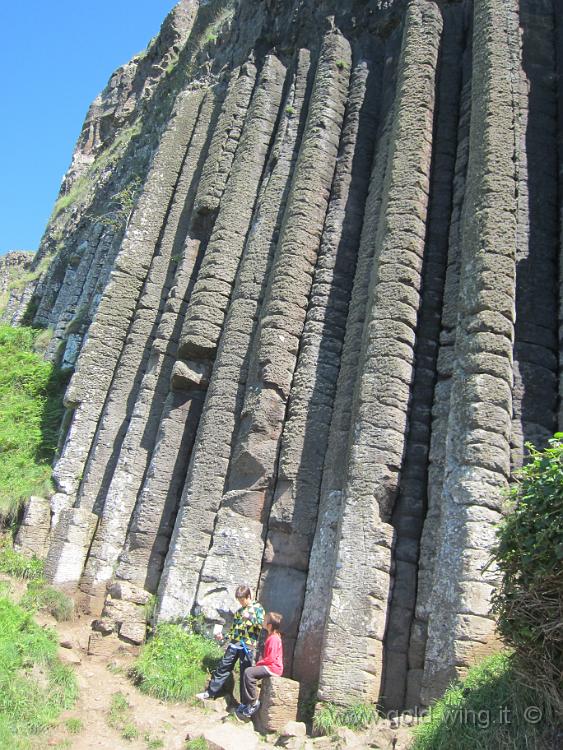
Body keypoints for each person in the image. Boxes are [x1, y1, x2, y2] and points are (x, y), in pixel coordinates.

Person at [196, 584, 265, 702]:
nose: (241, 602)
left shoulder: (258, 608)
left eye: (242, 600)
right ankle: (210, 693)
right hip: (234, 644)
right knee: (223, 667)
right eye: (239, 600)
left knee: (245, 674)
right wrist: (223, 636)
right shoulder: (239, 611)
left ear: (248, 596)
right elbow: (234, 630)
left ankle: (246, 703)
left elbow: (262, 626)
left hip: (247, 646)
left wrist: (250, 618)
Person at [236, 611, 283, 720]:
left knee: (249, 672)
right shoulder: (271, 636)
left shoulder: (274, 638)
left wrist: (259, 663)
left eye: (265, 620)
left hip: (273, 668)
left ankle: (253, 702)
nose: (263, 622)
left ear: (269, 625)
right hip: (271, 666)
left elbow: (271, 658)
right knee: (249, 672)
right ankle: (247, 703)